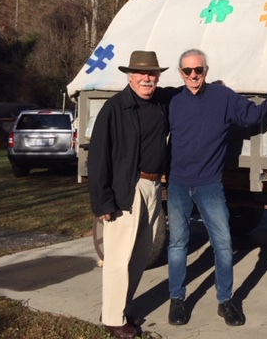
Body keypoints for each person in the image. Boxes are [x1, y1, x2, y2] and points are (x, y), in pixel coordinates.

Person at [167, 48, 267, 327]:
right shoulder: (172, 99)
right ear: (180, 73)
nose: (193, 75)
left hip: (209, 184)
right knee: (177, 244)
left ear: (206, 71)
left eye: (198, 70)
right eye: (187, 71)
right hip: (178, 183)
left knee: (223, 245)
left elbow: (254, 116)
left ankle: (225, 301)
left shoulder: (223, 98)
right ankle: (176, 299)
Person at [88, 50, 172, 339]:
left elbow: (187, 92)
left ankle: (119, 308)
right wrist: (102, 201)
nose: (147, 78)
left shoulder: (162, 101)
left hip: (153, 187)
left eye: (152, 74)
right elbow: (98, 158)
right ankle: (112, 319)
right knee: (118, 259)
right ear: (130, 76)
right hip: (127, 188)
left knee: (139, 256)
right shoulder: (115, 108)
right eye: (141, 74)